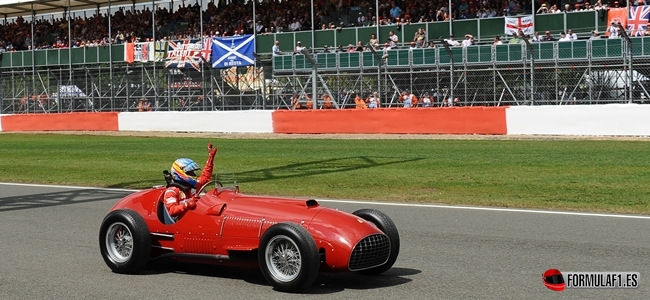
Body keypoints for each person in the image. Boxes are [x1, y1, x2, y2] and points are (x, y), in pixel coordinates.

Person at [164, 143, 218, 219]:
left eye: (193, 172)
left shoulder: (193, 186)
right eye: (190, 172)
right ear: (180, 172)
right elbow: (172, 211)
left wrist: (210, 160)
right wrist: (187, 204)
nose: (193, 174)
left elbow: (205, 177)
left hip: (193, 217)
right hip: (180, 222)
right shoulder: (171, 191)